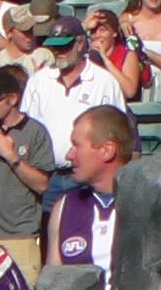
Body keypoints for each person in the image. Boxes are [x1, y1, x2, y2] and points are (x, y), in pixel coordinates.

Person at [0, 66, 54, 282]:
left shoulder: (35, 132)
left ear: (13, 99)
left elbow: (42, 184)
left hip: (20, 237)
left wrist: (12, 157)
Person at [21, 16, 129, 178]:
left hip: (89, 176)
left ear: (79, 44)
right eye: (54, 48)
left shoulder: (104, 82)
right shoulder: (38, 81)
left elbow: (118, 133)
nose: (58, 53)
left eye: (64, 47)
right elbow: (26, 128)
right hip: (45, 176)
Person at [47, 105, 133, 290]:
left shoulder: (145, 203)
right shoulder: (64, 207)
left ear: (107, 150)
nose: (69, 155)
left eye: (77, 145)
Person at [82, 9, 143, 104]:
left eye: (103, 30)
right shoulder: (85, 56)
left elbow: (130, 92)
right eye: (93, 31)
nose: (97, 36)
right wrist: (84, 26)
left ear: (114, 33)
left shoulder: (127, 54)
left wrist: (105, 60)